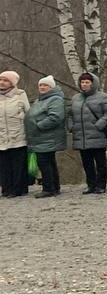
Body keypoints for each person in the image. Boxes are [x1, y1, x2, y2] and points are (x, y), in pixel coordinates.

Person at [68, 72, 107, 195]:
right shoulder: (75, 98)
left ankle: (101, 185)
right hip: (81, 136)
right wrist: (71, 126)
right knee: (87, 163)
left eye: (87, 82)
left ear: (93, 83)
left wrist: (99, 125)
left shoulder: (103, 97)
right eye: (82, 82)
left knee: (100, 162)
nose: (84, 85)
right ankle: (91, 185)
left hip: (97, 134)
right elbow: (70, 114)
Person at [25, 76, 66, 198]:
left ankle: (48, 188)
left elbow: (55, 117)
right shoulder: (40, 100)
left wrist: (39, 126)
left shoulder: (55, 100)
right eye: (40, 85)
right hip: (41, 138)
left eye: (45, 85)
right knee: (49, 161)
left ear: (51, 87)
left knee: (44, 162)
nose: (42, 87)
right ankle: (54, 187)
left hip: (47, 137)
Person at [0, 70, 29, 198]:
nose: (2, 82)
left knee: (18, 164)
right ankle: (6, 188)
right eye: (0, 79)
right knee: (4, 165)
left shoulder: (20, 94)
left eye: (5, 80)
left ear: (12, 83)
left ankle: (18, 189)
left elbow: (28, 114)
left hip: (18, 135)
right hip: (2, 137)